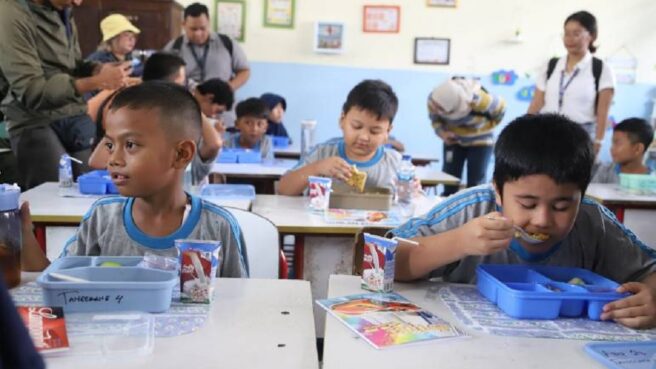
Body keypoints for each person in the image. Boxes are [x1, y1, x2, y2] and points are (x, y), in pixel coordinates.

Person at [391, 113, 656, 329]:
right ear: (497, 189)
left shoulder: (594, 222)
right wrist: (458, 242)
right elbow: (383, 260)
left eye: (562, 206)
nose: (542, 220)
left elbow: (650, 272)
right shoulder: (471, 210)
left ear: (581, 196)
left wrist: (651, 298)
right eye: (527, 204)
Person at [57, 82, 247, 277]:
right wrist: (26, 237)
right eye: (110, 145)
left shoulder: (217, 227)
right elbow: (58, 281)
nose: (113, 159)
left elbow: (239, 302)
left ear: (181, 154)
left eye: (130, 145)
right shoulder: (102, 217)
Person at [0, 0, 132, 190]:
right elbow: (30, 91)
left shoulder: (63, 8)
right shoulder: (10, 12)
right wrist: (97, 82)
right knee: (53, 200)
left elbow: (72, 65)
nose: (77, 2)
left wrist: (97, 69)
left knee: (91, 194)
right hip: (34, 119)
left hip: (72, 115)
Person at [278, 79, 402, 196]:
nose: (364, 137)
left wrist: (410, 190)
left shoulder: (394, 163)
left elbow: (412, 201)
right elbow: (283, 189)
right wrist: (317, 168)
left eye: (374, 131)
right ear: (342, 120)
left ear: (387, 132)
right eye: (356, 126)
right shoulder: (323, 153)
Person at [527, 10, 615, 156]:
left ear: (592, 36)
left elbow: (603, 112)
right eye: (566, 33)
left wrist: (598, 142)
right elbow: (537, 103)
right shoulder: (551, 65)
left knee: (571, 178)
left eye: (576, 33)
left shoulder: (601, 69)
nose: (569, 39)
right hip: (546, 133)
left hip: (580, 136)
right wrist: (523, 129)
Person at [163, 2, 250, 127]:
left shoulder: (227, 44)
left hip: (222, 115)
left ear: (209, 23)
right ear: (183, 25)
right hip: (186, 114)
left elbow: (244, 71)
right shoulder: (173, 48)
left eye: (202, 28)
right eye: (193, 29)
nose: (198, 33)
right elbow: (164, 79)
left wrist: (227, 89)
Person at [428, 77, 506, 196]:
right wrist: (442, 133)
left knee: (476, 181)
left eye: (440, 109)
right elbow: (435, 120)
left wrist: (487, 126)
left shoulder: (478, 99)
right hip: (453, 140)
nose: (435, 110)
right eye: (434, 106)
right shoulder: (434, 99)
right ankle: (448, 211)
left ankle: (476, 211)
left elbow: (501, 109)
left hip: (481, 140)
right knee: (449, 178)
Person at [592, 118, 654, 183]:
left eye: (617, 143)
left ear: (637, 149)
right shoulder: (605, 171)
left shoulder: (652, 179)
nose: (611, 148)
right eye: (612, 143)